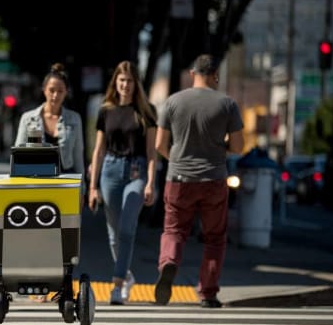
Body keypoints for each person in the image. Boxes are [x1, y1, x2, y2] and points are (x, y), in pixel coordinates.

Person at [154, 54, 244, 308]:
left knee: (174, 230)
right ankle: (207, 292)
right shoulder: (227, 104)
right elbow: (238, 146)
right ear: (215, 75)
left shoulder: (173, 102)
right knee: (214, 237)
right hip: (214, 178)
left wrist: (178, 158)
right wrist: (219, 148)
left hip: (179, 178)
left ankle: (169, 261)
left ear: (193, 74)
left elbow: (160, 145)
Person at [87, 61, 157, 305]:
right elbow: (98, 150)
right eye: (121, 80)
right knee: (114, 235)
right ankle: (126, 275)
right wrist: (92, 187)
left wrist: (150, 184)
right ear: (115, 83)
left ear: (136, 84)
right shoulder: (106, 110)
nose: (125, 85)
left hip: (137, 173)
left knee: (127, 228)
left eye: (129, 80)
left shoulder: (147, 112)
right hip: (109, 171)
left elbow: (151, 153)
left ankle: (116, 286)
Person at [14, 63, 85, 177]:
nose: (55, 95)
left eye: (60, 91)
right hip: (37, 177)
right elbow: (18, 155)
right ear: (44, 90)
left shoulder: (74, 119)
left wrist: (82, 189)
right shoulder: (28, 118)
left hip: (66, 178)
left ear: (66, 92)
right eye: (52, 90)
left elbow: (78, 157)